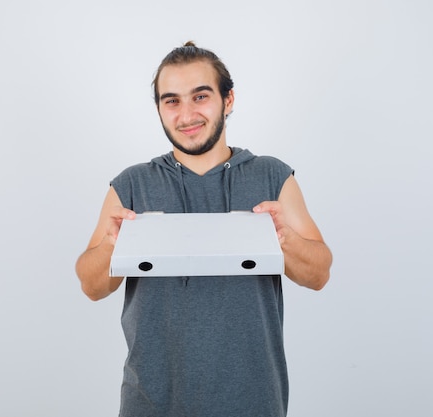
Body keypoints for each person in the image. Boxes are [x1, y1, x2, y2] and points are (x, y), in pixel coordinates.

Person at [75, 41, 332, 417]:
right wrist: (112, 247)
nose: (187, 114)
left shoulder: (272, 176)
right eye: (172, 100)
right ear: (160, 109)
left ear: (228, 101)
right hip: (151, 402)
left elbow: (319, 273)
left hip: (254, 401)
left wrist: (285, 241)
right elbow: (91, 286)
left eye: (200, 96)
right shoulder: (131, 185)